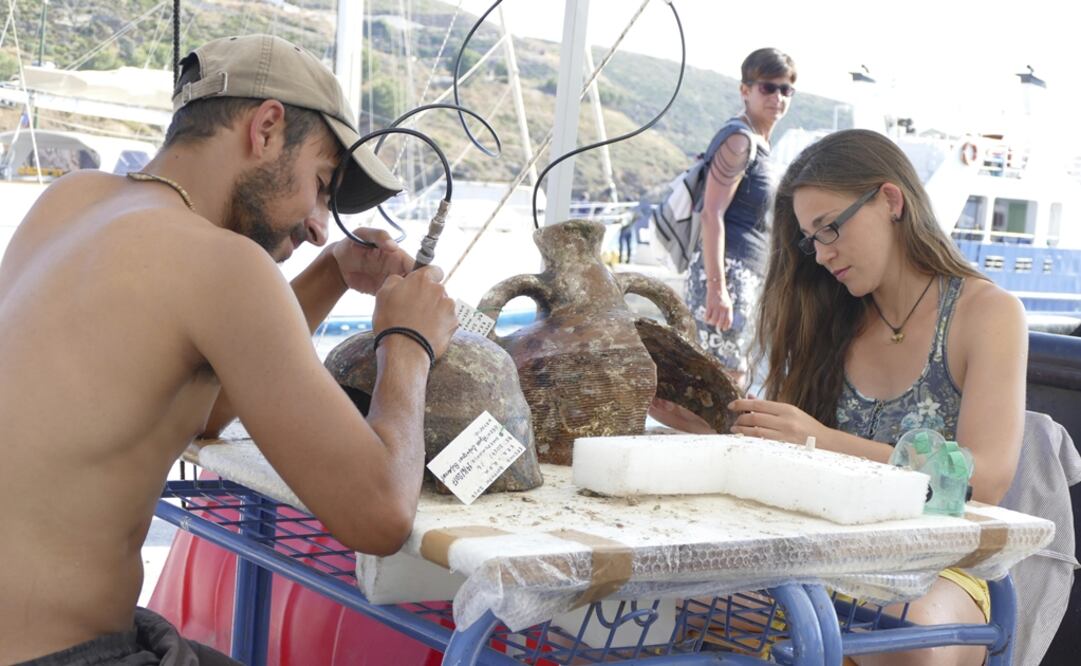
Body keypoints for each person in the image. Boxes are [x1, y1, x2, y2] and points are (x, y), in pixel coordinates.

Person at [0, 34, 458, 665]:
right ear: (265, 128)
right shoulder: (223, 264)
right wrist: (409, 340)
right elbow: (378, 515)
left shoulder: (70, 200)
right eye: (322, 184)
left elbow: (198, 409)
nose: (318, 224)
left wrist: (330, 273)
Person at [731, 129, 1028, 666]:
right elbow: (784, 461)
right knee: (676, 607)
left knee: (905, 640)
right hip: (821, 557)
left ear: (891, 200)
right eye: (811, 240)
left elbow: (984, 480)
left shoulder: (988, 313)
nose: (822, 255)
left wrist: (821, 442)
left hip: (939, 566)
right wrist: (716, 423)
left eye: (830, 228)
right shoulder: (828, 318)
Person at [688, 47, 796, 387]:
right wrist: (717, 289)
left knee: (735, 375)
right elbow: (711, 214)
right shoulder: (738, 140)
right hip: (728, 274)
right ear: (745, 90)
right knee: (725, 377)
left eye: (786, 89)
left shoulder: (759, 143)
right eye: (768, 87)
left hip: (747, 276)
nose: (777, 97)